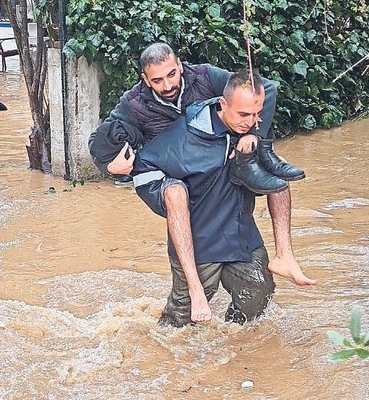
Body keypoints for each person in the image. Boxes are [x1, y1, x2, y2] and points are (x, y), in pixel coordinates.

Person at [89, 42, 314, 287]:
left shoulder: (205, 76)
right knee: (177, 197)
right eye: (157, 80)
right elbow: (98, 141)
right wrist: (110, 167)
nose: (167, 85)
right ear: (145, 79)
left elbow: (264, 90)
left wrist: (256, 136)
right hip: (179, 177)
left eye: (171, 74)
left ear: (180, 66)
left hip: (222, 164)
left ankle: (285, 255)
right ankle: (194, 295)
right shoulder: (133, 104)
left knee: (275, 169)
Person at [132, 70, 310, 326]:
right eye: (243, 115)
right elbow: (144, 166)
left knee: (258, 300)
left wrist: (255, 139)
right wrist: (167, 193)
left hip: (241, 238)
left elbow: (277, 181)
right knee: (180, 325)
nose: (250, 122)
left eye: (256, 114)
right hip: (200, 244)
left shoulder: (252, 135)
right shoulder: (185, 137)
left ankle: (234, 349)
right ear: (223, 104)